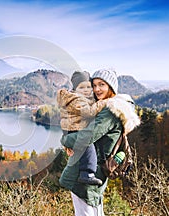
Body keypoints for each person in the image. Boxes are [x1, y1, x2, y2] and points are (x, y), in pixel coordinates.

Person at [59, 69, 141, 216]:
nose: (96, 89)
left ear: (111, 87)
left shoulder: (110, 111)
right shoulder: (109, 107)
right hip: (95, 174)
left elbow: (86, 137)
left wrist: (65, 140)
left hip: (84, 178)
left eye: (101, 84)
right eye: (94, 85)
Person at [57, 71, 107, 185]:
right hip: (75, 128)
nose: (86, 90)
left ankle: (83, 173)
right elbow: (88, 112)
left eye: (89, 87)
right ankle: (87, 174)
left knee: (83, 151)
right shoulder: (76, 99)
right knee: (88, 147)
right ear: (75, 89)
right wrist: (103, 103)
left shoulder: (82, 97)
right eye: (81, 87)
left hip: (73, 128)